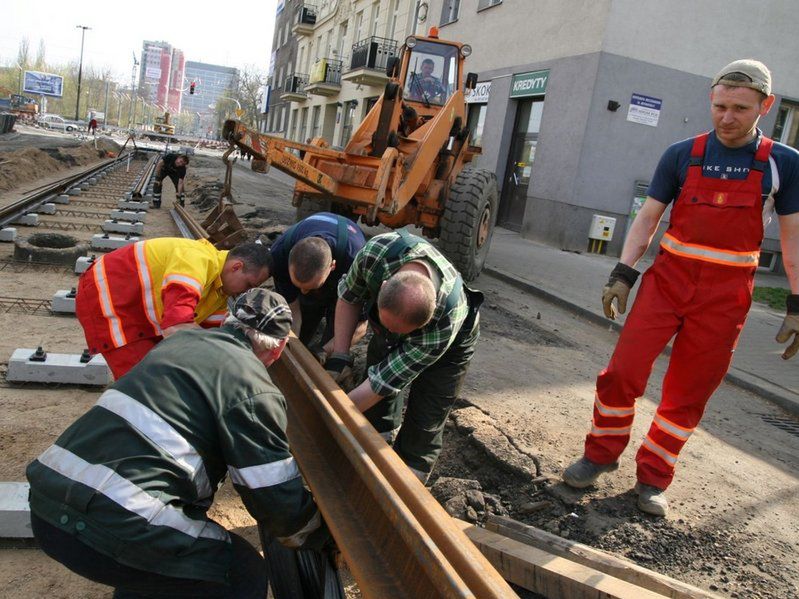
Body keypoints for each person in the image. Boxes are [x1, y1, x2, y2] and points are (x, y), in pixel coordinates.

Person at [562, 60, 799, 517]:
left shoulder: (782, 165)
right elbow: (647, 219)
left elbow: (792, 240)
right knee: (622, 372)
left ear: (765, 107)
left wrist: (796, 302)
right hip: (667, 283)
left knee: (688, 392)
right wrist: (623, 273)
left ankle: (653, 477)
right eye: (719, 106)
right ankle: (600, 455)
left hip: (725, 298)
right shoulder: (681, 154)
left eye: (739, 109)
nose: (726, 118)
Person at [27, 288, 330, 598]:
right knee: (239, 573)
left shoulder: (180, 343)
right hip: (110, 523)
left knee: (157, 567)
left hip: (45, 506)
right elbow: (273, 496)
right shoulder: (253, 386)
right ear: (278, 348)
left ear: (228, 322)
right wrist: (319, 534)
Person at [326, 230, 483, 482]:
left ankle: (409, 481)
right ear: (384, 286)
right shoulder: (376, 253)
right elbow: (348, 297)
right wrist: (340, 356)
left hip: (451, 347)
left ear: (425, 321)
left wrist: (330, 417)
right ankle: (375, 449)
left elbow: (381, 383)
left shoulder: (445, 318)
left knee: (425, 419)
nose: (390, 333)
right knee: (374, 410)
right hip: (404, 317)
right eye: (388, 326)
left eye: (398, 332)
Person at [75, 238, 272, 378]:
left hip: (134, 306)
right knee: (145, 381)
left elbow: (211, 334)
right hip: (107, 295)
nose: (246, 293)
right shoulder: (196, 260)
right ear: (236, 267)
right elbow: (176, 325)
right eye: (249, 285)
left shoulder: (220, 292)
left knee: (164, 371)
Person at [269, 212, 368, 358]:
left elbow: (360, 327)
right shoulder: (280, 253)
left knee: (336, 333)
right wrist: (292, 343)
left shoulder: (357, 263)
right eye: (299, 286)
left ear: (332, 266)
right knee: (306, 309)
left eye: (310, 287)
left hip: (345, 275)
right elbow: (292, 306)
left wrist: (323, 352)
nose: (303, 292)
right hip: (327, 262)